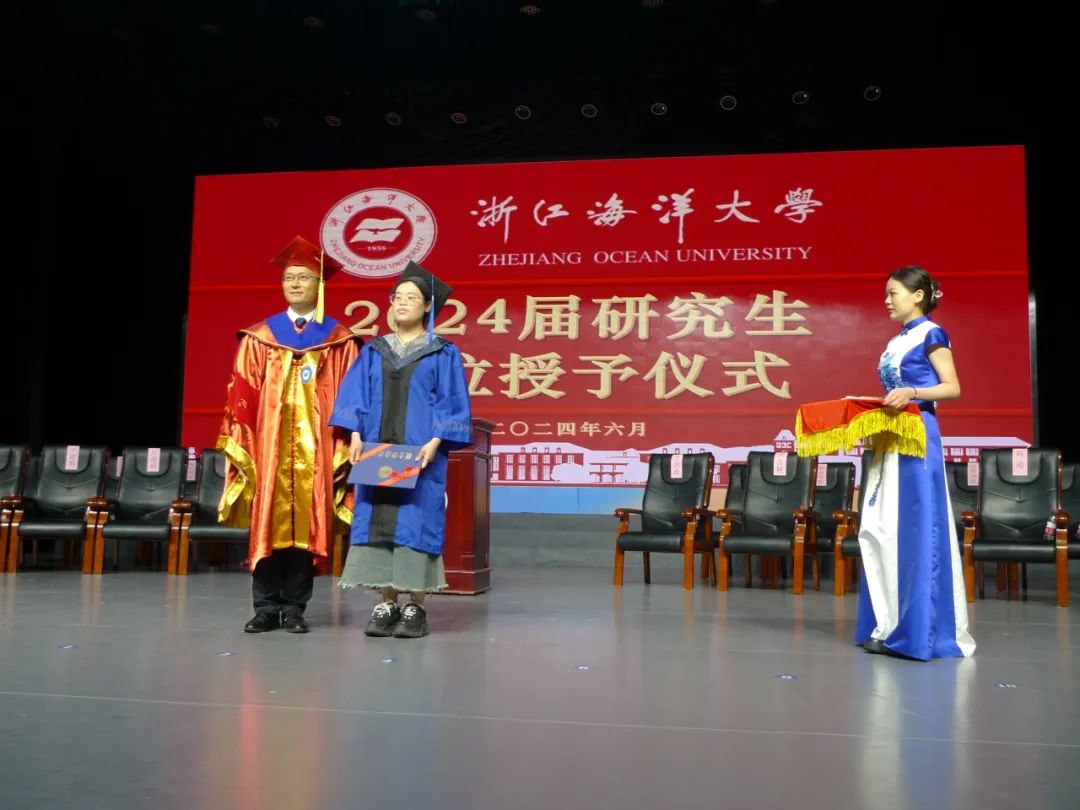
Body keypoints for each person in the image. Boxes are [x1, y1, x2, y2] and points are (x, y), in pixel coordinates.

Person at [217, 236, 360, 634]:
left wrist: (347, 438)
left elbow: (351, 396)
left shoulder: (339, 340)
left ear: (320, 285)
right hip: (269, 447)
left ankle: (295, 608)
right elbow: (243, 393)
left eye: (304, 277)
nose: (295, 283)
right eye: (289, 277)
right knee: (267, 520)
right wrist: (244, 439)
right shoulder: (260, 337)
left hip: (318, 448)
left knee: (308, 524)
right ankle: (265, 608)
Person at [330, 261, 472, 639]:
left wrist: (436, 441)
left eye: (412, 297)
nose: (403, 303)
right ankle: (386, 603)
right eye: (398, 297)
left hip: (420, 454)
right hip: (376, 451)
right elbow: (356, 395)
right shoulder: (374, 351)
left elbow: (452, 402)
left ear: (427, 307)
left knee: (415, 523)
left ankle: (415, 606)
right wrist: (355, 433)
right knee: (378, 523)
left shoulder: (442, 352)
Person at [852, 266, 975, 660]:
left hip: (918, 435)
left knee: (917, 527)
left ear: (918, 295)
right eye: (886, 293)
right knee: (885, 527)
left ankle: (919, 631)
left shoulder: (932, 334)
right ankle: (887, 623)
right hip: (892, 435)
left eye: (894, 293)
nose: (887, 300)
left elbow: (952, 388)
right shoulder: (896, 341)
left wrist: (913, 392)